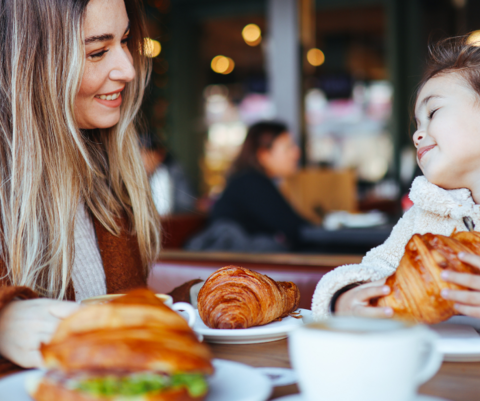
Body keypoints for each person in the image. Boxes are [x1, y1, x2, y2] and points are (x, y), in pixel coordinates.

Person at [0, 0, 164, 373]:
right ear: (32, 66)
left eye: (125, 41)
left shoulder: (109, 170)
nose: (128, 69)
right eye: (97, 51)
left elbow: (123, 328)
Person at [312, 36, 480, 320]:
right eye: (417, 124)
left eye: (433, 112)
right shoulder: (424, 215)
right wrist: (343, 298)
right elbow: (375, 267)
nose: (417, 134)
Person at [186, 121, 310, 252]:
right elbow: (295, 228)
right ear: (263, 154)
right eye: (288, 148)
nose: (297, 153)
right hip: (237, 266)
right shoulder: (250, 183)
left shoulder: (251, 181)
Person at [139, 133, 196, 215]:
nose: (141, 160)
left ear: (159, 154)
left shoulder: (173, 172)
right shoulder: (135, 175)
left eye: (144, 153)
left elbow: (186, 203)